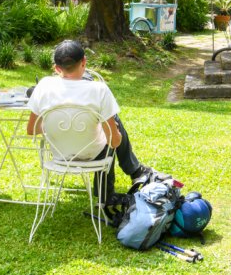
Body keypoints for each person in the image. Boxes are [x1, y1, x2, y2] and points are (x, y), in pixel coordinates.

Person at [27, 40, 149, 203]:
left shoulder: (43, 87)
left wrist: (53, 127)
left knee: (107, 129)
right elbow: (114, 141)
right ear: (84, 62)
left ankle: (133, 173)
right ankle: (113, 189)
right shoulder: (99, 90)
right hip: (93, 155)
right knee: (112, 130)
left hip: (59, 155)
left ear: (56, 68)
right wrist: (116, 133)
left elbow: (31, 129)